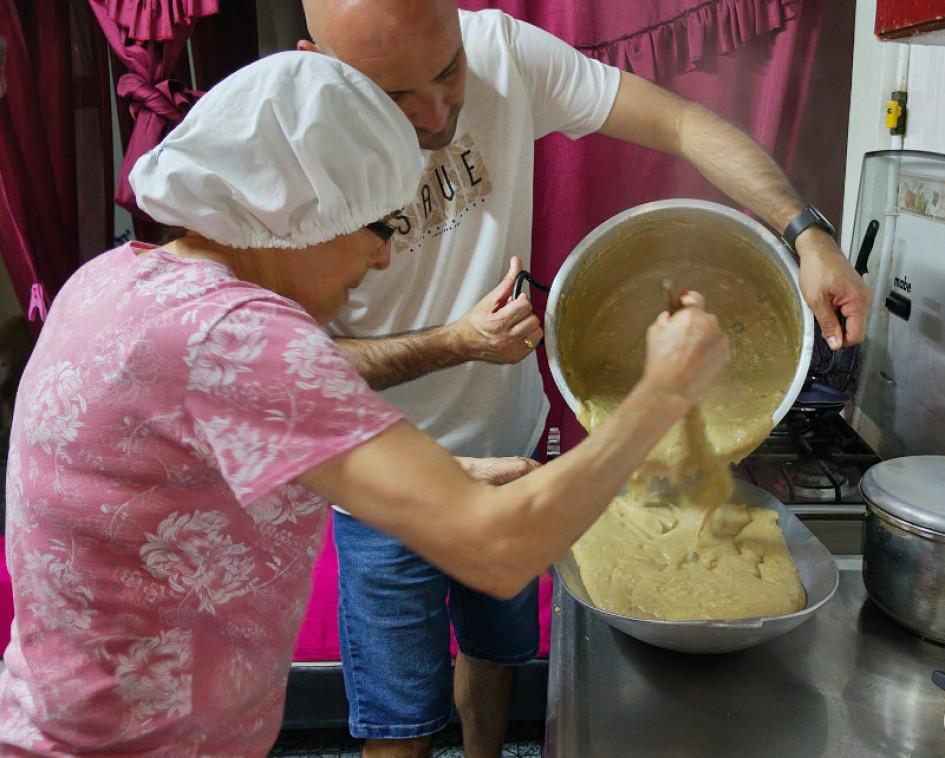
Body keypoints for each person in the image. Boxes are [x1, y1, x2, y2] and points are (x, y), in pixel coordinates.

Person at [0, 51, 730, 756]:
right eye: (379, 226)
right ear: (294, 214)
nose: (385, 257)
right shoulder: (241, 335)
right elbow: (499, 551)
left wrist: (449, 481)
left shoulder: (113, 279)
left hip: (56, 719)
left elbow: (191, 475)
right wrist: (662, 392)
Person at [295, 2, 875, 757]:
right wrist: (452, 343)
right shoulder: (289, 150)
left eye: (447, 73)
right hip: (382, 475)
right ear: (320, 64)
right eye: (393, 96)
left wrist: (807, 233)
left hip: (511, 453)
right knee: (397, 721)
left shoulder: (501, 49)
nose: (436, 116)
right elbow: (290, 366)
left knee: (496, 656)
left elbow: (681, 124)